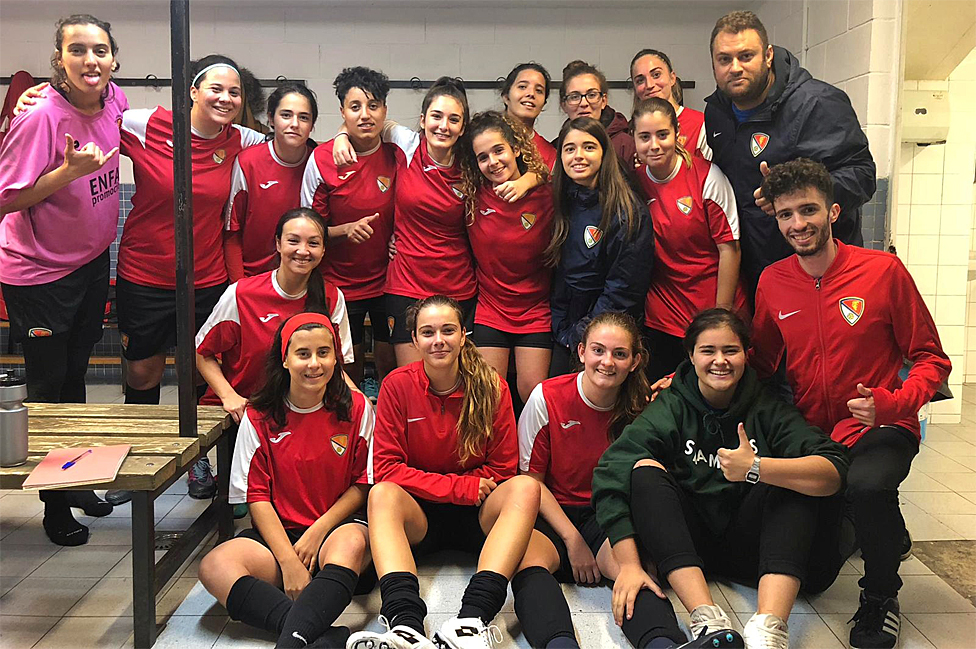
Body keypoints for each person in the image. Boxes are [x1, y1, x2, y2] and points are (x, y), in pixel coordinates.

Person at [751, 159, 951, 649]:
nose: (798, 224)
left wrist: (894, 403)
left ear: (834, 211)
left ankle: (880, 598)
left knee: (867, 486)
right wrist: (690, 379)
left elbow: (932, 359)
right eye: (785, 215)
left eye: (808, 210)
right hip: (817, 432)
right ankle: (887, 532)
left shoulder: (882, 271)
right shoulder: (773, 281)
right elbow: (757, 361)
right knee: (817, 555)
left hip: (885, 423)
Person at [593, 308, 850, 649]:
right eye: (708, 351)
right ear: (691, 356)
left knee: (794, 476)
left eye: (730, 350)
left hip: (758, 546)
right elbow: (611, 469)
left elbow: (834, 469)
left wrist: (759, 468)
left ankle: (769, 631)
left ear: (746, 355)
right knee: (644, 471)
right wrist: (627, 564)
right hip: (690, 546)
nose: (720, 361)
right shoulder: (671, 405)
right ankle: (707, 620)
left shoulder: (766, 407)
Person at [346, 295, 541, 649]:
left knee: (526, 488)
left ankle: (471, 621)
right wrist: (460, 488)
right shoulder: (396, 385)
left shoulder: (492, 386)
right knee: (381, 493)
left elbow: (503, 467)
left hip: (479, 515)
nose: (439, 340)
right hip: (421, 515)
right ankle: (405, 625)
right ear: (415, 340)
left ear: (464, 334)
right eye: (428, 332)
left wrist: (467, 492)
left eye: (448, 330)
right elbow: (387, 468)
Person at [114, 54, 266, 500]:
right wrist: (39, 95)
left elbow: (294, 150)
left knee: (202, 375)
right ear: (192, 92)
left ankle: (199, 463)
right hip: (143, 273)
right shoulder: (142, 124)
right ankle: (138, 463)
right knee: (142, 375)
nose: (225, 98)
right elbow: (88, 116)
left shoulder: (245, 140)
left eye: (234, 92)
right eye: (215, 88)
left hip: (206, 280)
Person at [0, 13, 124, 544]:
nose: (90, 61)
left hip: (89, 264)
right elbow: (6, 197)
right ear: (60, 60)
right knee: (50, 391)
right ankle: (53, 507)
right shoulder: (40, 118)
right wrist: (67, 174)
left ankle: (72, 481)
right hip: (40, 274)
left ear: (113, 59)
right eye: (78, 51)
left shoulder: (112, 98)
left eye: (100, 51)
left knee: (75, 381)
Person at [512, 312, 687, 649]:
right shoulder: (546, 397)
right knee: (528, 566)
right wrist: (573, 540)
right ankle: (559, 644)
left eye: (619, 354)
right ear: (580, 353)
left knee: (634, 572)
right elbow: (530, 482)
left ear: (635, 361)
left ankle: (662, 643)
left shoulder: (641, 406)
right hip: (550, 512)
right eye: (598, 350)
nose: (607, 362)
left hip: (608, 515)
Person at [198, 312, 373, 648]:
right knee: (214, 566)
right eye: (303, 354)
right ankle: (318, 636)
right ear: (285, 359)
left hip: (336, 530)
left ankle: (290, 643)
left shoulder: (358, 408)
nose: (314, 364)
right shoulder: (258, 415)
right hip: (280, 536)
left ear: (337, 357)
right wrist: (290, 563)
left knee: (352, 541)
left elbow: (362, 485)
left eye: (324, 353)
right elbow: (257, 498)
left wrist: (317, 533)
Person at [703, 10, 876, 294]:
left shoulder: (818, 103)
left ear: (768, 55)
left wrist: (797, 196)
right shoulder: (717, 113)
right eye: (724, 59)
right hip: (757, 274)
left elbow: (863, 176)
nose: (735, 67)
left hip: (821, 274)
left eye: (746, 56)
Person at [196, 207, 355, 424]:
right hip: (245, 412)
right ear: (278, 244)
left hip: (302, 411)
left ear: (324, 250)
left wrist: (360, 400)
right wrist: (228, 395)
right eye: (293, 241)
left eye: (313, 243)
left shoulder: (332, 298)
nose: (303, 250)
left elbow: (335, 366)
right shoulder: (242, 294)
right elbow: (201, 352)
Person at [632, 98, 746, 381]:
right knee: (664, 400)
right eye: (644, 137)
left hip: (710, 309)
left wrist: (721, 318)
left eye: (662, 134)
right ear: (634, 140)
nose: (654, 145)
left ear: (677, 134)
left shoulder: (708, 177)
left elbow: (729, 249)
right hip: (662, 316)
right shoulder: (632, 182)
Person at [302, 67, 397, 391]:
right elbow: (309, 232)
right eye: (355, 107)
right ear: (343, 112)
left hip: (390, 282)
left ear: (384, 109)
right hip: (341, 284)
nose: (365, 115)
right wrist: (344, 230)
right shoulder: (322, 158)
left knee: (391, 365)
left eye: (373, 106)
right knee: (348, 370)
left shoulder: (397, 153)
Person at [457, 111, 553, 404]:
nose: (493, 162)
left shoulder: (548, 194)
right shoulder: (473, 198)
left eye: (499, 150)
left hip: (536, 310)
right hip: (492, 308)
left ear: (517, 149)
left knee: (533, 395)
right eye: (483, 157)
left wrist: (531, 180)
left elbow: (562, 170)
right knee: (490, 396)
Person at [546, 116, 653, 376]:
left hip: (608, 327)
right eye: (569, 149)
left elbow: (623, 290)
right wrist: (562, 328)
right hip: (566, 325)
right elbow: (562, 275)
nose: (578, 156)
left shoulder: (627, 211)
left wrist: (582, 334)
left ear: (605, 153)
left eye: (589, 147)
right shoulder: (562, 201)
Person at [225, 82, 317, 281]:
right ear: (271, 119)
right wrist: (238, 286)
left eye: (303, 117)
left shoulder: (319, 164)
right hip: (254, 279)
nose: (294, 124)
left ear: (312, 125)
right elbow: (232, 233)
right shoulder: (248, 162)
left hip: (303, 281)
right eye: (286, 115)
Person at [629, 49, 711, 160]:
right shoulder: (631, 129)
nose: (649, 85)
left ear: (672, 78)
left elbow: (705, 173)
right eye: (640, 80)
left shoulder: (699, 124)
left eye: (656, 75)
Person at [556, 60, 636, 169]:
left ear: (603, 101)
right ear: (563, 105)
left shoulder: (626, 145)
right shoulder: (557, 147)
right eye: (574, 97)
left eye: (592, 95)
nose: (584, 103)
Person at [499, 62, 557, 169]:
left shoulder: (550, 154)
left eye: (539, 90)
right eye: (522, 87)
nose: (531, 94)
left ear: (544, 103)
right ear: (506, 97)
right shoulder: (482, 138)